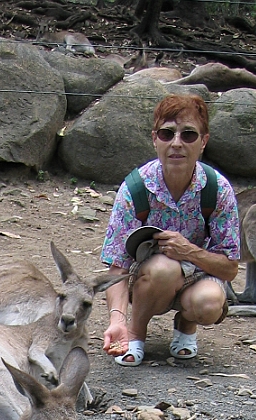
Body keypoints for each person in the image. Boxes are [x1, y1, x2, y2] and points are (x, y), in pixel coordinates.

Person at [100, 94, 239, 367]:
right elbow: (116, 264)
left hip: (197, 276)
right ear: (155, 139)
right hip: (147, 279)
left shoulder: (218, 189)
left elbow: (230, 267)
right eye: (167, 134)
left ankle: (186, 324)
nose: (176, 143)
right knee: (164, 267)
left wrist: (188, 251)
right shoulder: (135, 188)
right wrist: (117, 319)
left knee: (210, 304)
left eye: (188, 135)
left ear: (203, 141)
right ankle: (135, 334)